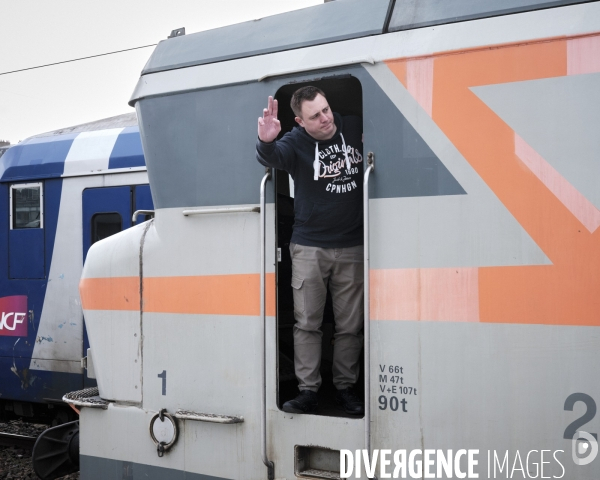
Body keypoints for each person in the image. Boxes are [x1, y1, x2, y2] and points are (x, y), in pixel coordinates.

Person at [256, 86, 364, 415]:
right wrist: (267, 141)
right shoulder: (295, 142)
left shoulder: (355, 126)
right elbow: (271, 158)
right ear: (301, 122)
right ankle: (308, 391)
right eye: (315, 116)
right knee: (308, 324)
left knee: (350, 325)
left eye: (327, 110)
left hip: (353, 245)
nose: (326, 119)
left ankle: (345, 388)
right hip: (309, 247)